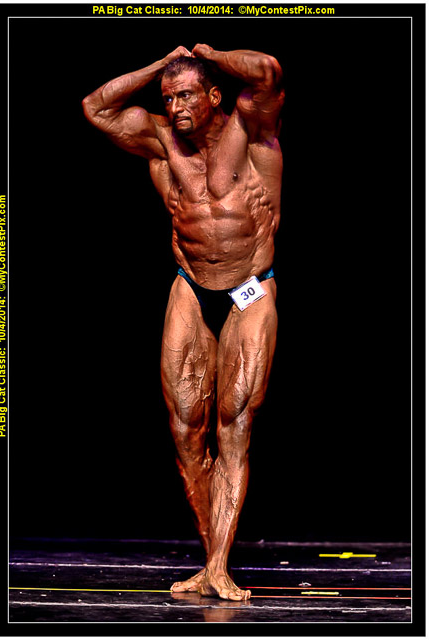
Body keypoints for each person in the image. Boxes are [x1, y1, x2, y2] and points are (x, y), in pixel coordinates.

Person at [82, 43, 284, 601]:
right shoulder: (160, 140)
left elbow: (267, 71)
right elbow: (95, 107)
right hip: (190, 287)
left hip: (249, 291)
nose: (175, 108)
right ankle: (210, 561)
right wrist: (157, 68)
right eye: (168, 99)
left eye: (187, 95)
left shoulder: (252, 130)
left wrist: (210, 53)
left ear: (214, 95)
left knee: (234, 425)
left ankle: (219, 565)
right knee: (185, 432)